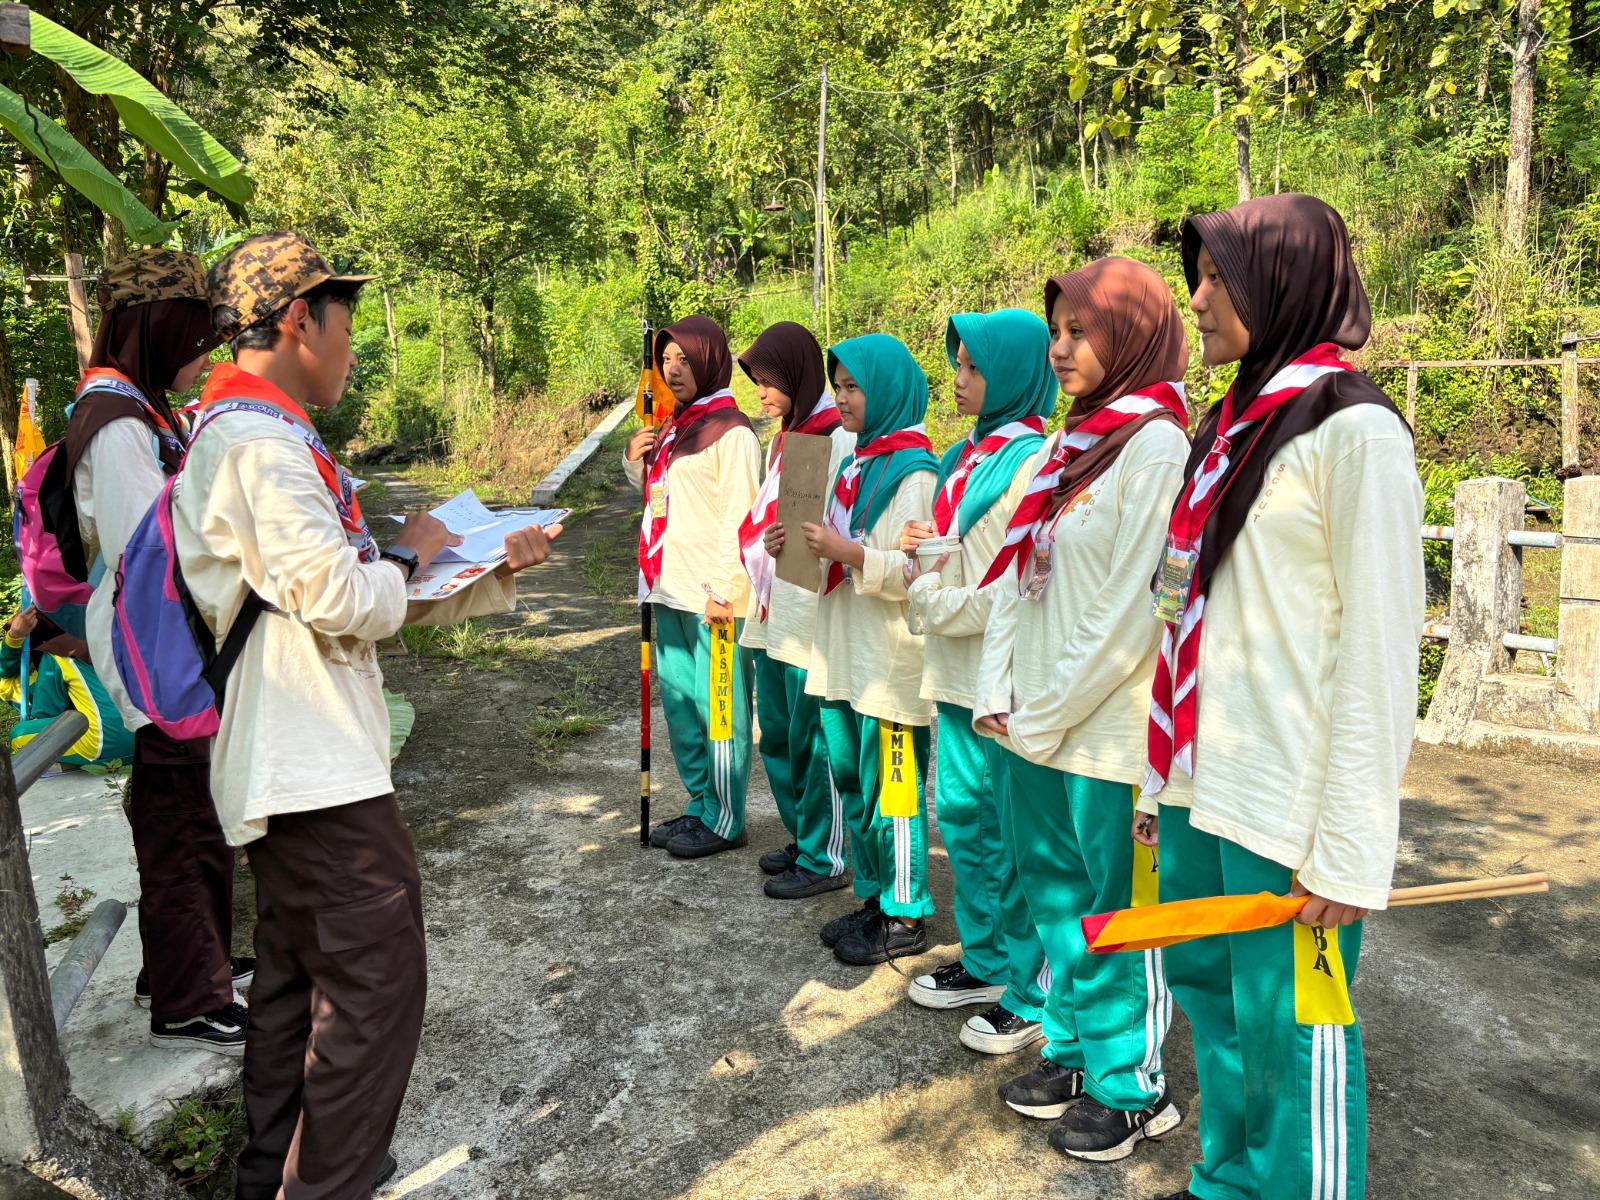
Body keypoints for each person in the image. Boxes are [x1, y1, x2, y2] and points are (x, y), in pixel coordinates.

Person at [186, 232, 560, 1199]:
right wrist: (406, 549)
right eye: (345, 318)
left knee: (294, 982)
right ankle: (329, 1182)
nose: (355, 343)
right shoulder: (259, 446)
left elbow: (337, 598)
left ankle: (275, 1171)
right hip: (312, 763)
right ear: (299, 319)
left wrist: (481, 564)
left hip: (297, 754)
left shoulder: (256, 434)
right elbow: (344, 597)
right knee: (374, 987)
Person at [1138, 195, 1424, 1200]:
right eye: (1198, 275)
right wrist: (1155, 775)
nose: (1198, 299)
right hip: (1201, 782)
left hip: (1288, 807)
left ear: (1283, 283)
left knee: (1293, 1038)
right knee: (1214, 1005)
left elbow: (1383, 650)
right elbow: (1187, 605)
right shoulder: (1232, 427)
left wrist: (1350, 847)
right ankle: (1226, 1180)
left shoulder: (1354, 432)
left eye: (1217, 278)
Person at [973, 258, 1193, 1162]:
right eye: (1056, 332)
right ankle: (1071, 1048)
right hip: (1039, 724)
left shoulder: (1157, 448)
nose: (1061, 348)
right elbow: (1022, 583)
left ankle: (1133, 1086)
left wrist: (1049, 709)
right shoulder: (1073, 445)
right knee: (1057, 898)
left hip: (1105, 731)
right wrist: (1002, 695)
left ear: (1132, 334)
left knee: (1116, 910)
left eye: (1079, 331)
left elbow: (1139, 612)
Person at [68, 248, 250, 1052]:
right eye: (196, 335)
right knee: (181, 829)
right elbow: (153, 552)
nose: (206, 354)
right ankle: (188, 998)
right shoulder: (114, 427)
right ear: (160, 327)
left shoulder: (137, 412)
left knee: (195, 820)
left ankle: (187, 961)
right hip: (159, 655)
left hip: (171, 646)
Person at [899, 309, 1054, 1056]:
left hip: (1001, 680)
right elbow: (950, 559)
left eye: (972, 367)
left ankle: (1031, 989)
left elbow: (1013, 587)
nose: (957, 380)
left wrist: (931, 599)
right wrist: (917, 556)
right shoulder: (964, 455)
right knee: (964, 823)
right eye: (955, 365)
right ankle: (990, 959)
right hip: (954, 673)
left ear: (1015, 371)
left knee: (1018, 840)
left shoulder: (1032, 460)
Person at [783, 333, 939, 965]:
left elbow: (917, 574)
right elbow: (838, 551)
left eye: (854, 387)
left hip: (889, 663)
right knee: (854, 783)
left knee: (894, 791)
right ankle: (875, 895)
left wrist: (846, 553)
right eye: (838, 386)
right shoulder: (855, 465)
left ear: (890, 392)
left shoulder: (916, 473)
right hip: (845, 654)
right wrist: (791, 548)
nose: (842, 398)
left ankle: (905, 913)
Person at [626, 315, 762, 859]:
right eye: (665, 361)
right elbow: (661, 498)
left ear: (708, 360)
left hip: (714, 598)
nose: (672, 369)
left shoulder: (732, 432)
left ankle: (728, 817)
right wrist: (636, 460)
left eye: (683, 359)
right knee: (683, 707)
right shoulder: (680, 426)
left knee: (721, 709)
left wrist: (728, 591)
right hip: (670, 588)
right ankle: (703, 803)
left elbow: (743, 519)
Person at [734, 321, 856, 899]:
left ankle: (824, 852)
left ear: (799, 376)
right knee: (777, 734)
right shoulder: (787, 435)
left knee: (812, 736)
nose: (760, 390)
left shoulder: (836, 437)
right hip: (773, 605)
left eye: (770, 379)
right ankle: (802, 832)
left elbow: (841, 525)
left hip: (808, 607)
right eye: (756, 380)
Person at [1, 606, 134, 768]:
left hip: (106, 744)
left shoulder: (58, 651)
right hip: (144, 737)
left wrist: (14, 638)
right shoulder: (109, 636)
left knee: (18, 735)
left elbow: (45, 715)